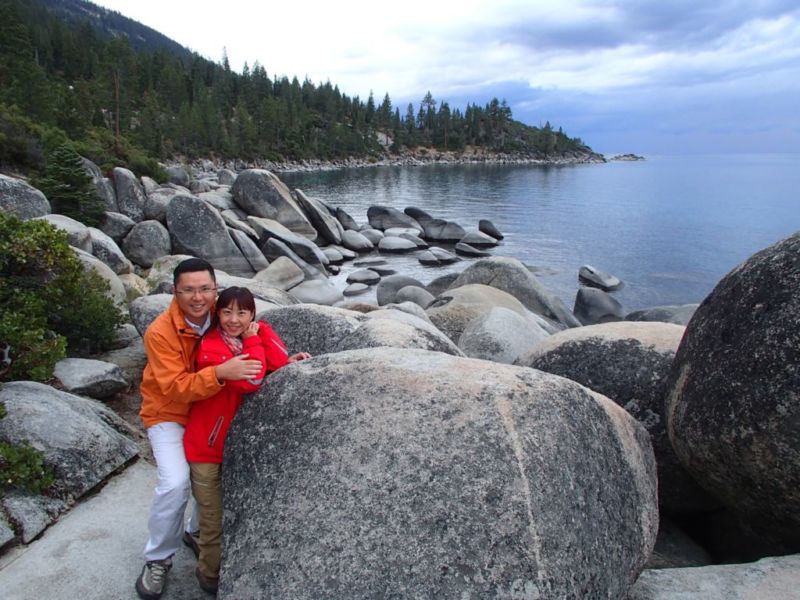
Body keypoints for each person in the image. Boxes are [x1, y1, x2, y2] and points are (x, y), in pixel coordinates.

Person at [136, 259, 263, 600]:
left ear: (215, 289)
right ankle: (158, 558)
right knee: (175, 482)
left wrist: (286, 361)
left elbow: (254, 347)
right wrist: (222, 373)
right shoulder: (160, 332)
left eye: (205, 289)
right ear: (175, 292)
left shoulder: (223, 315)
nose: (198, 297)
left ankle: (193, 529)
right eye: (189, 290)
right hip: (170, 412)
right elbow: (176, 387)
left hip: (209, 410)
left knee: (208, 474)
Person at [183, 286, 311, 594]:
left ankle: (191, 530)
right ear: (217, 313)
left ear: (253, 314)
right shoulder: (211, 348)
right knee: (214, 518)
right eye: (227, 311)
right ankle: (209, 574)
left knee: (216, 504)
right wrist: (253, 340)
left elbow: (279, 362)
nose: (233, 319)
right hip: (207, 446)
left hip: (234, 442)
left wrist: (262, 333)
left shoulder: (251, 334)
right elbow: (252, 379)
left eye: (242, 312)